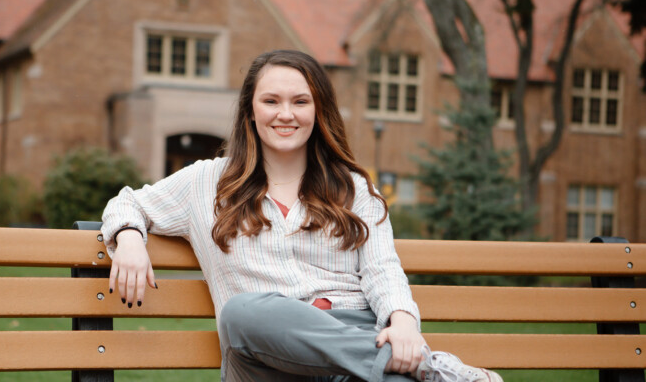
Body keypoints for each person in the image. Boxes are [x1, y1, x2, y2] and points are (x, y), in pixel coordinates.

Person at [101, 50, 502, 382]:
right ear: (250, 111)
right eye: (271, 101)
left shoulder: (353, 188)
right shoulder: (205, 182)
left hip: (352, 339)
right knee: (242, 312)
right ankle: (432, 372)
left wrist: (403, 324)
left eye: (300, 101)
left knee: (374, 362)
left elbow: (383, 269)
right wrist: (132, 239)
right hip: (262, 358)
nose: (285, 114)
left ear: (318, 110)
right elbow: (127, 203)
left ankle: (398, 367)